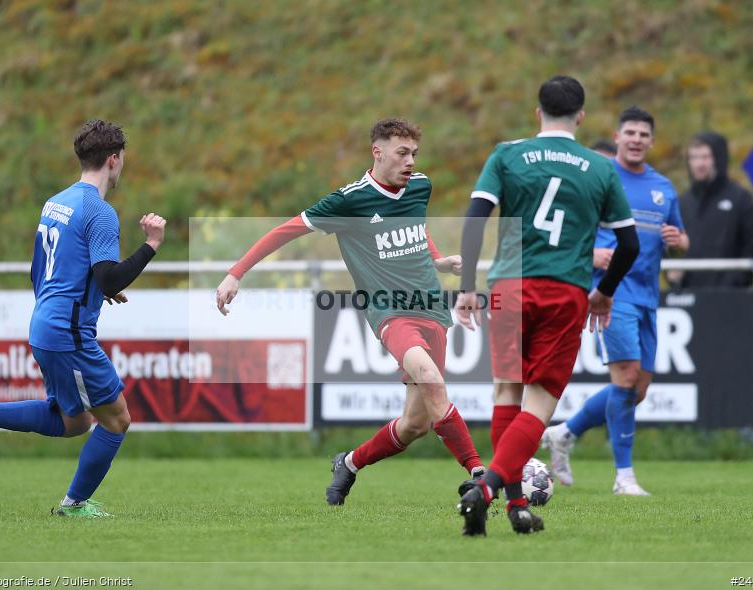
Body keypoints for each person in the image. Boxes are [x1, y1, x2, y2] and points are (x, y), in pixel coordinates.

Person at [216, 118, 485, 506]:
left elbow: (414, 227)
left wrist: (438, 260)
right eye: (402, 153)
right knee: (430, 378)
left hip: (432, 309)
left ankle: (349, 463)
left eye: (414, 153)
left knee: (415, 425)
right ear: (378, 152)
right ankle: (478, 474)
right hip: (391, 313)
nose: (410, 161)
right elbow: (287, 230)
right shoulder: (349, 201)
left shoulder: (420, 186)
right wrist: (236, 272)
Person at [0, 120, 167, 518]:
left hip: (45, 323)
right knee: (117, 419)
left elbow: (44, 271)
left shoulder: (55, 203)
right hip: (68, 332)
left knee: (74, 420)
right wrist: (151, 244)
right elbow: (109, 276)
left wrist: (93, 292)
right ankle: (73, 505)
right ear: (113, 160)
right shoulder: (100, 212)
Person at [455, 76, 639, 536]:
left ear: (538, 112)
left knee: (506, 392)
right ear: (581, 116)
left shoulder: (507, 154)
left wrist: (467, 285)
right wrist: (604, 291)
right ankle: (491, 490)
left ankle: (516, 506)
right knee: (538, 404)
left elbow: (475, 219)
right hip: (563, 291)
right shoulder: (599, 168)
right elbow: (630, 244)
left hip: (509, 286)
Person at [543, 106, 689, 496]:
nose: (637, 139)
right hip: (611, 292)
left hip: (647, 296)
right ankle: (624, 477)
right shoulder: (598, 177)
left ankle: (565, 432)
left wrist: (679, 242)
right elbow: (564, 230)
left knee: (637, 389)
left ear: (652, 141)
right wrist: (591, 255)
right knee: (625, 378)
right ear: (618, 137)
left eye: (644, 134)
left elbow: (681, 240)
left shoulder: (663, 187)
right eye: (630, 133)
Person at [675, 131, 753, 288]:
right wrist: (674, 276)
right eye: (693, 157)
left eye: (705, 157)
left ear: (718, 158)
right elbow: (672, 247)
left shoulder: (740, 198)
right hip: (689, 296)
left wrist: (736, 283)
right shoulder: (683, 202)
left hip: (731, 296)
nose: (699, 164)